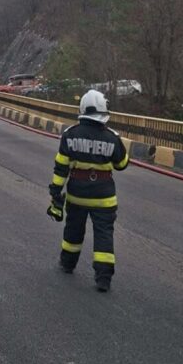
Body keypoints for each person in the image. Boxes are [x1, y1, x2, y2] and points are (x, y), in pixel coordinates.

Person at [47, 89, 129, 292]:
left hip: (77, 196)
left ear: (82, 109)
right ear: (103, 111)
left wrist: (55, 192)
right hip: (104, 198)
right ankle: (103, 278)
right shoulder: (112, 137)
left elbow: (61, 168)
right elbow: (122, 164)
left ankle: (67, 263)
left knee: (73, 230)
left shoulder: (70, 135)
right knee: (104, 234)